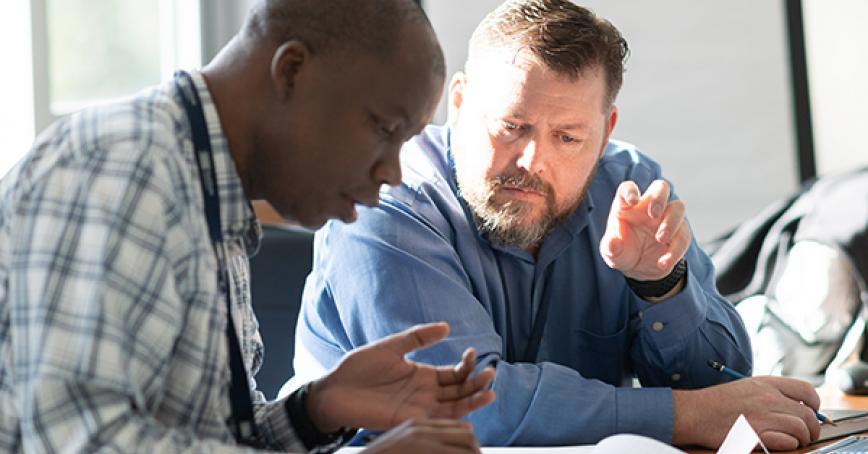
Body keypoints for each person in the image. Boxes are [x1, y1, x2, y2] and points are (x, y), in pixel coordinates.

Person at [287, 0, 825, 450]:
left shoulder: (628, 184)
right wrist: (683, 415)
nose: (532, 161)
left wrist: (660, 286)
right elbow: (467, 408)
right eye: (511, 126)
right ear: (459, 102)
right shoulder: (385, 202)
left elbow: (723, 389)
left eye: (567, 137)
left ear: (605, 130)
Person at [0, 0, 496, 452]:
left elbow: (209, 436)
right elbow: (81, 442)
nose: (392, 173)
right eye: (384, 129)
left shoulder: (210, 195)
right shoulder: (127, 168)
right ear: (292, 70)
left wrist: (316, 411)